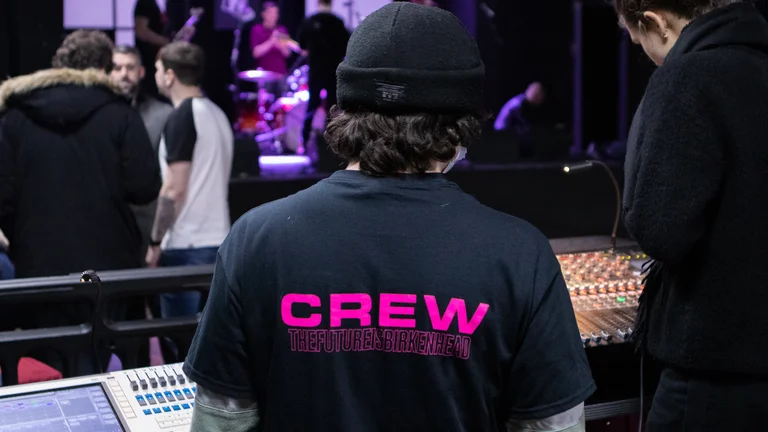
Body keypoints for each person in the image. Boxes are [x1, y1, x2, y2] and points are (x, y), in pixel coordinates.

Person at [183, 4, 595, 431]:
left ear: (346, 108)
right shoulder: (521, 254)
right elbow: (553, 426)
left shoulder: (255, 239)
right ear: (461, 124)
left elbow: (222, 421)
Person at [616, 0, 768, 430]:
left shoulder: (686, 78)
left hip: (714, 378)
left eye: (639, 42)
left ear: (655, 22)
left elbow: (659, 230)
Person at [0, 30, 160, 374]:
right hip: (109, 266)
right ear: (103, 67)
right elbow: (145, 186)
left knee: (49, 364)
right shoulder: (119, 111)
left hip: (37, 265)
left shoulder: (13, 116)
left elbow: (3, 197)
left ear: (58, 64)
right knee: (108, 362)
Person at [146, 42, 233, 356]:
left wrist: (155, 242)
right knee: (210, 348)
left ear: (169, 75)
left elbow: (174, 188)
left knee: (180, 351)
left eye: (157, 70)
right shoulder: (217, 113)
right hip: (218, 241)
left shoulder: (183, 115)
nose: (156, 76)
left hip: (186, 246)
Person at [111, 45, 174, 259]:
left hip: (150, 221)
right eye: (117, 67)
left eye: (130, 68)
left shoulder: (163, 114)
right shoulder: (97, 116)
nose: (123, 74)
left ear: (141, 72)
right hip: (109, 221)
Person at [298, 0, 350, 151]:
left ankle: (304, 141)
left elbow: (302, 46)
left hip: (316, 71)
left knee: (312, 106)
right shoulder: (338, 23)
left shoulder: (309, 21)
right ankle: (332, 144)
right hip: (333, 71)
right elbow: (345, 48)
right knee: (332, 108)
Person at [134, 0, 170, 97]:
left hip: (158, 59)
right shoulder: (145, 3)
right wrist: (167, 42)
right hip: (148, 61)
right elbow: (140, 30)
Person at [250, 2, 295, 75]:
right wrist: (271, 42)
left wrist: (279, 44)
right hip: (264, 74)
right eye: (271, 13)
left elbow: (287, 53)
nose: (274, 16)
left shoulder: (281, 30)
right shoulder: (257, 29)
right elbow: (256, 53)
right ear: (263, 14)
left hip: (280, 74)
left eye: (276, 13)